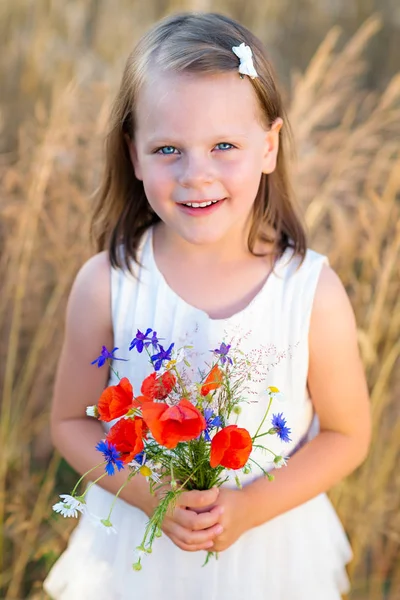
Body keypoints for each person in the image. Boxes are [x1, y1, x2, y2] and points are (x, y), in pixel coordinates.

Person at [43, 12, 371, 600]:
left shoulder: (310, 293)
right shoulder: (108, 284)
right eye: (168, 148)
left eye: (224, 145)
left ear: (268, 146)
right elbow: (70, 421)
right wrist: (153, 497)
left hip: (271, 556)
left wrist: (248, 507)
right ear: (135, 156)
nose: (197, 175)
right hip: (134, 558)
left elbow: (348, 435)